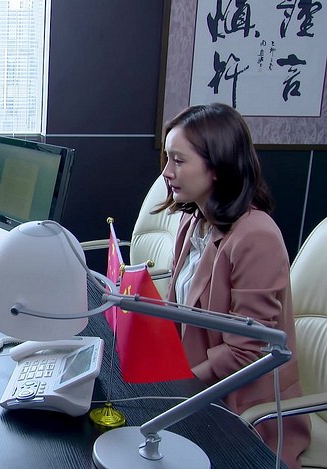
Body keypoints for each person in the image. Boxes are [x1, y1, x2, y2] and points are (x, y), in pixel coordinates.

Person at [156, 103, 311, 468]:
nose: (166, 172)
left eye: (178, 161)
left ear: (217, 167)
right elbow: (179, 311)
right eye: (167, 158)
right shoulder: (195, 221)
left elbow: (245, 352)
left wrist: (178, 387)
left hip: (243, 411)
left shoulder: (256, 237)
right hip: (198, 389)